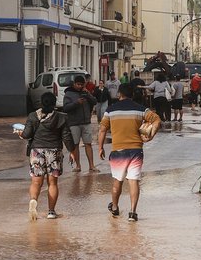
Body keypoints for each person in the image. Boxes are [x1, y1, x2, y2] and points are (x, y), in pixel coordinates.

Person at [98, 83, 161, 222]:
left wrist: (100, 147)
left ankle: (114, 208)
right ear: (132, 94)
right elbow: (157, 119)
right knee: (134, 181)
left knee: (117, 182)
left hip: (118, 151)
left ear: (119, 94)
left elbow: (102, 130)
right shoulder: (141, 109)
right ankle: (133, 213)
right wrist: (151, 135)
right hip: (136, 150)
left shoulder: (110, 110)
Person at [19, 92, 75, 220]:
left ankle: (33, 201)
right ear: (54, 103)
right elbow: (67, 137)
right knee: (52, 183)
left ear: (41, 103)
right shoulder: (62, 117)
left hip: (37, 152)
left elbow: (27, 134)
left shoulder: (33, 116)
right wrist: (72, 151)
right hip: (54, 152)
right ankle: (51, 211)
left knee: (36, 182)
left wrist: (20, 133)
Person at [62, 74, 98, 173]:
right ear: (74, 84)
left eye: (81, 84)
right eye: (78, 84)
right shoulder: (68, 94)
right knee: (75, 144)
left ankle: (92, 165)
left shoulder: (85, 92)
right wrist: (76, 103)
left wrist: (88, 94)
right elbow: (65, 108)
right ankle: (78, 166)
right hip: (74, 123)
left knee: (88, 144)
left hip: (86, 122)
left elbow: (94, 101)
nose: (80, 86)